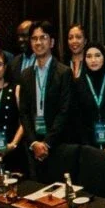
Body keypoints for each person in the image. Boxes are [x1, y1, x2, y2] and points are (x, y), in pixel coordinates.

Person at [17, 21, 71, 179]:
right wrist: (34, 143)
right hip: (33, 144)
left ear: (52, 42)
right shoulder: (25, 74)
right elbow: (24, 112)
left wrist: (46, 143)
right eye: (34, 39)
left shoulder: (63, 73)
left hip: (57, 143)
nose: (38, 42)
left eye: (43, 38)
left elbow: (64, 111)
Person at [70, 43, 105, 149]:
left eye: (97, 55)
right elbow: (76, 120)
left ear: (104, 58)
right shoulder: (77, 84)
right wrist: (87, 146)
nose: (93, 60)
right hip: (86, 147)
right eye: (89, 56)